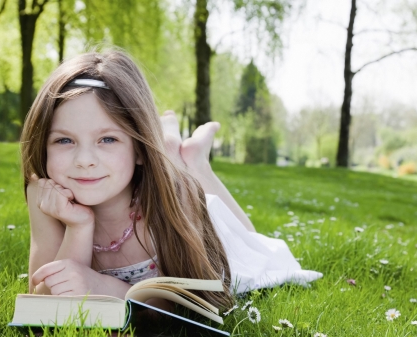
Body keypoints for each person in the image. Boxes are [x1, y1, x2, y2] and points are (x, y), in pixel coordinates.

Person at [21, 49, 322, 312]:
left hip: (202, 220)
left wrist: (106, 287)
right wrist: (78, 226)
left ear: (139, 148)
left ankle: (194, 162)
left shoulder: (168, 200)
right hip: (167, 177)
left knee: (254, 245)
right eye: (64, 141)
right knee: (171, 168)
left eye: (108, 139)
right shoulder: (45, 195)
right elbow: (43, 297)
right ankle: (172, 150)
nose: (84, 160)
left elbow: (202, 295)